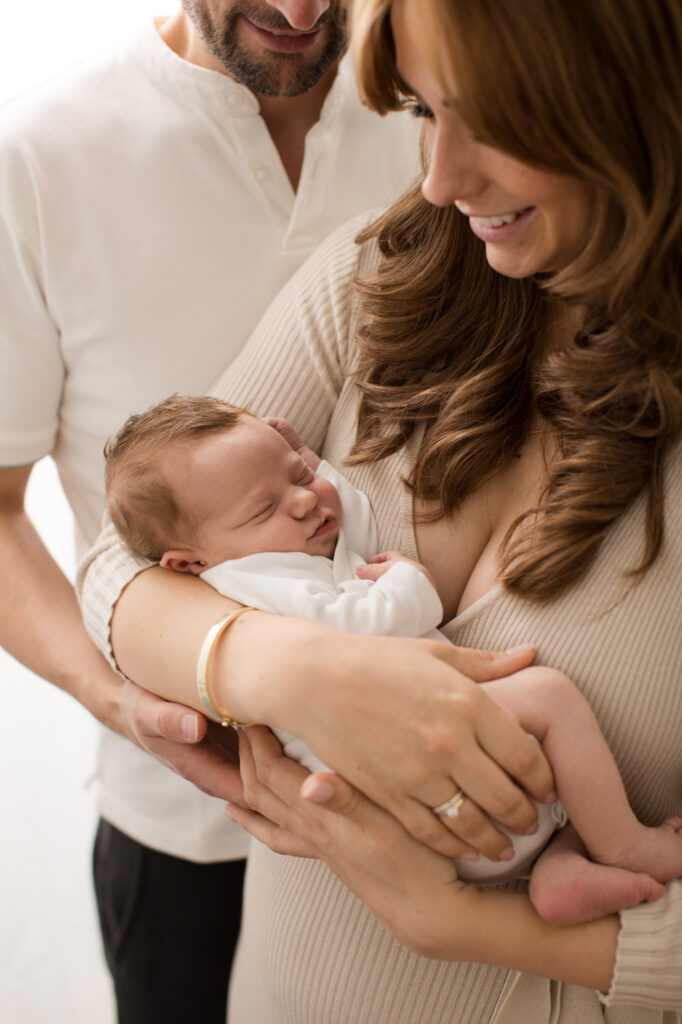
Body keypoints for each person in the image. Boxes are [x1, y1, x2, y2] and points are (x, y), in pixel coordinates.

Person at [79, 0, 682, 1020]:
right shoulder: (384, 271)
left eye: (493, 119)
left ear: (636, 96)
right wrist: (293, 667)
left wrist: (463, 924)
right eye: (423, 110)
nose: (440, 178)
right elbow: (119, 560)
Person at [0, 1, 421, 1020]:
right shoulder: (43, 158)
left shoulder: (433, 106)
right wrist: (124, 703)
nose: (300, 11)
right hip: (184, 829)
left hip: (420, 811)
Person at [103, 391, 682, 916]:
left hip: (433, 814)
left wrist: (314, 468)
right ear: (188, 562)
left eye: (298, 476)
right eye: (264, 508)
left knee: (554, 795)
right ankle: (626, 844)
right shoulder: (253, 585)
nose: (304, 501)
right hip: (416, 791)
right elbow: (363, 628)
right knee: (548, 695)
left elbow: (352, 530)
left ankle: (560, 872)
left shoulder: (275, 553)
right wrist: (409, 581)